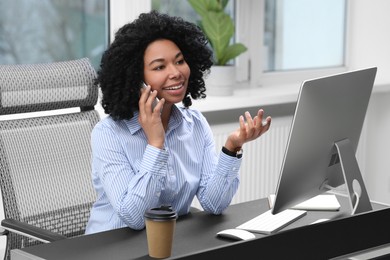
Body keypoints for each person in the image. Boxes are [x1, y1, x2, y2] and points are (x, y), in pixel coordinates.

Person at [85, 11, 271, 234]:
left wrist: (232, 148)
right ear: (135, 79)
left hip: (170, 244)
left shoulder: (196, 125)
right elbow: (134, 218)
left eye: (180, 61)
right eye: (159, 67)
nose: (176, 73)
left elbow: (214, 204)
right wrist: (156, 144)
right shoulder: (109, 134)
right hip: (112, 248)